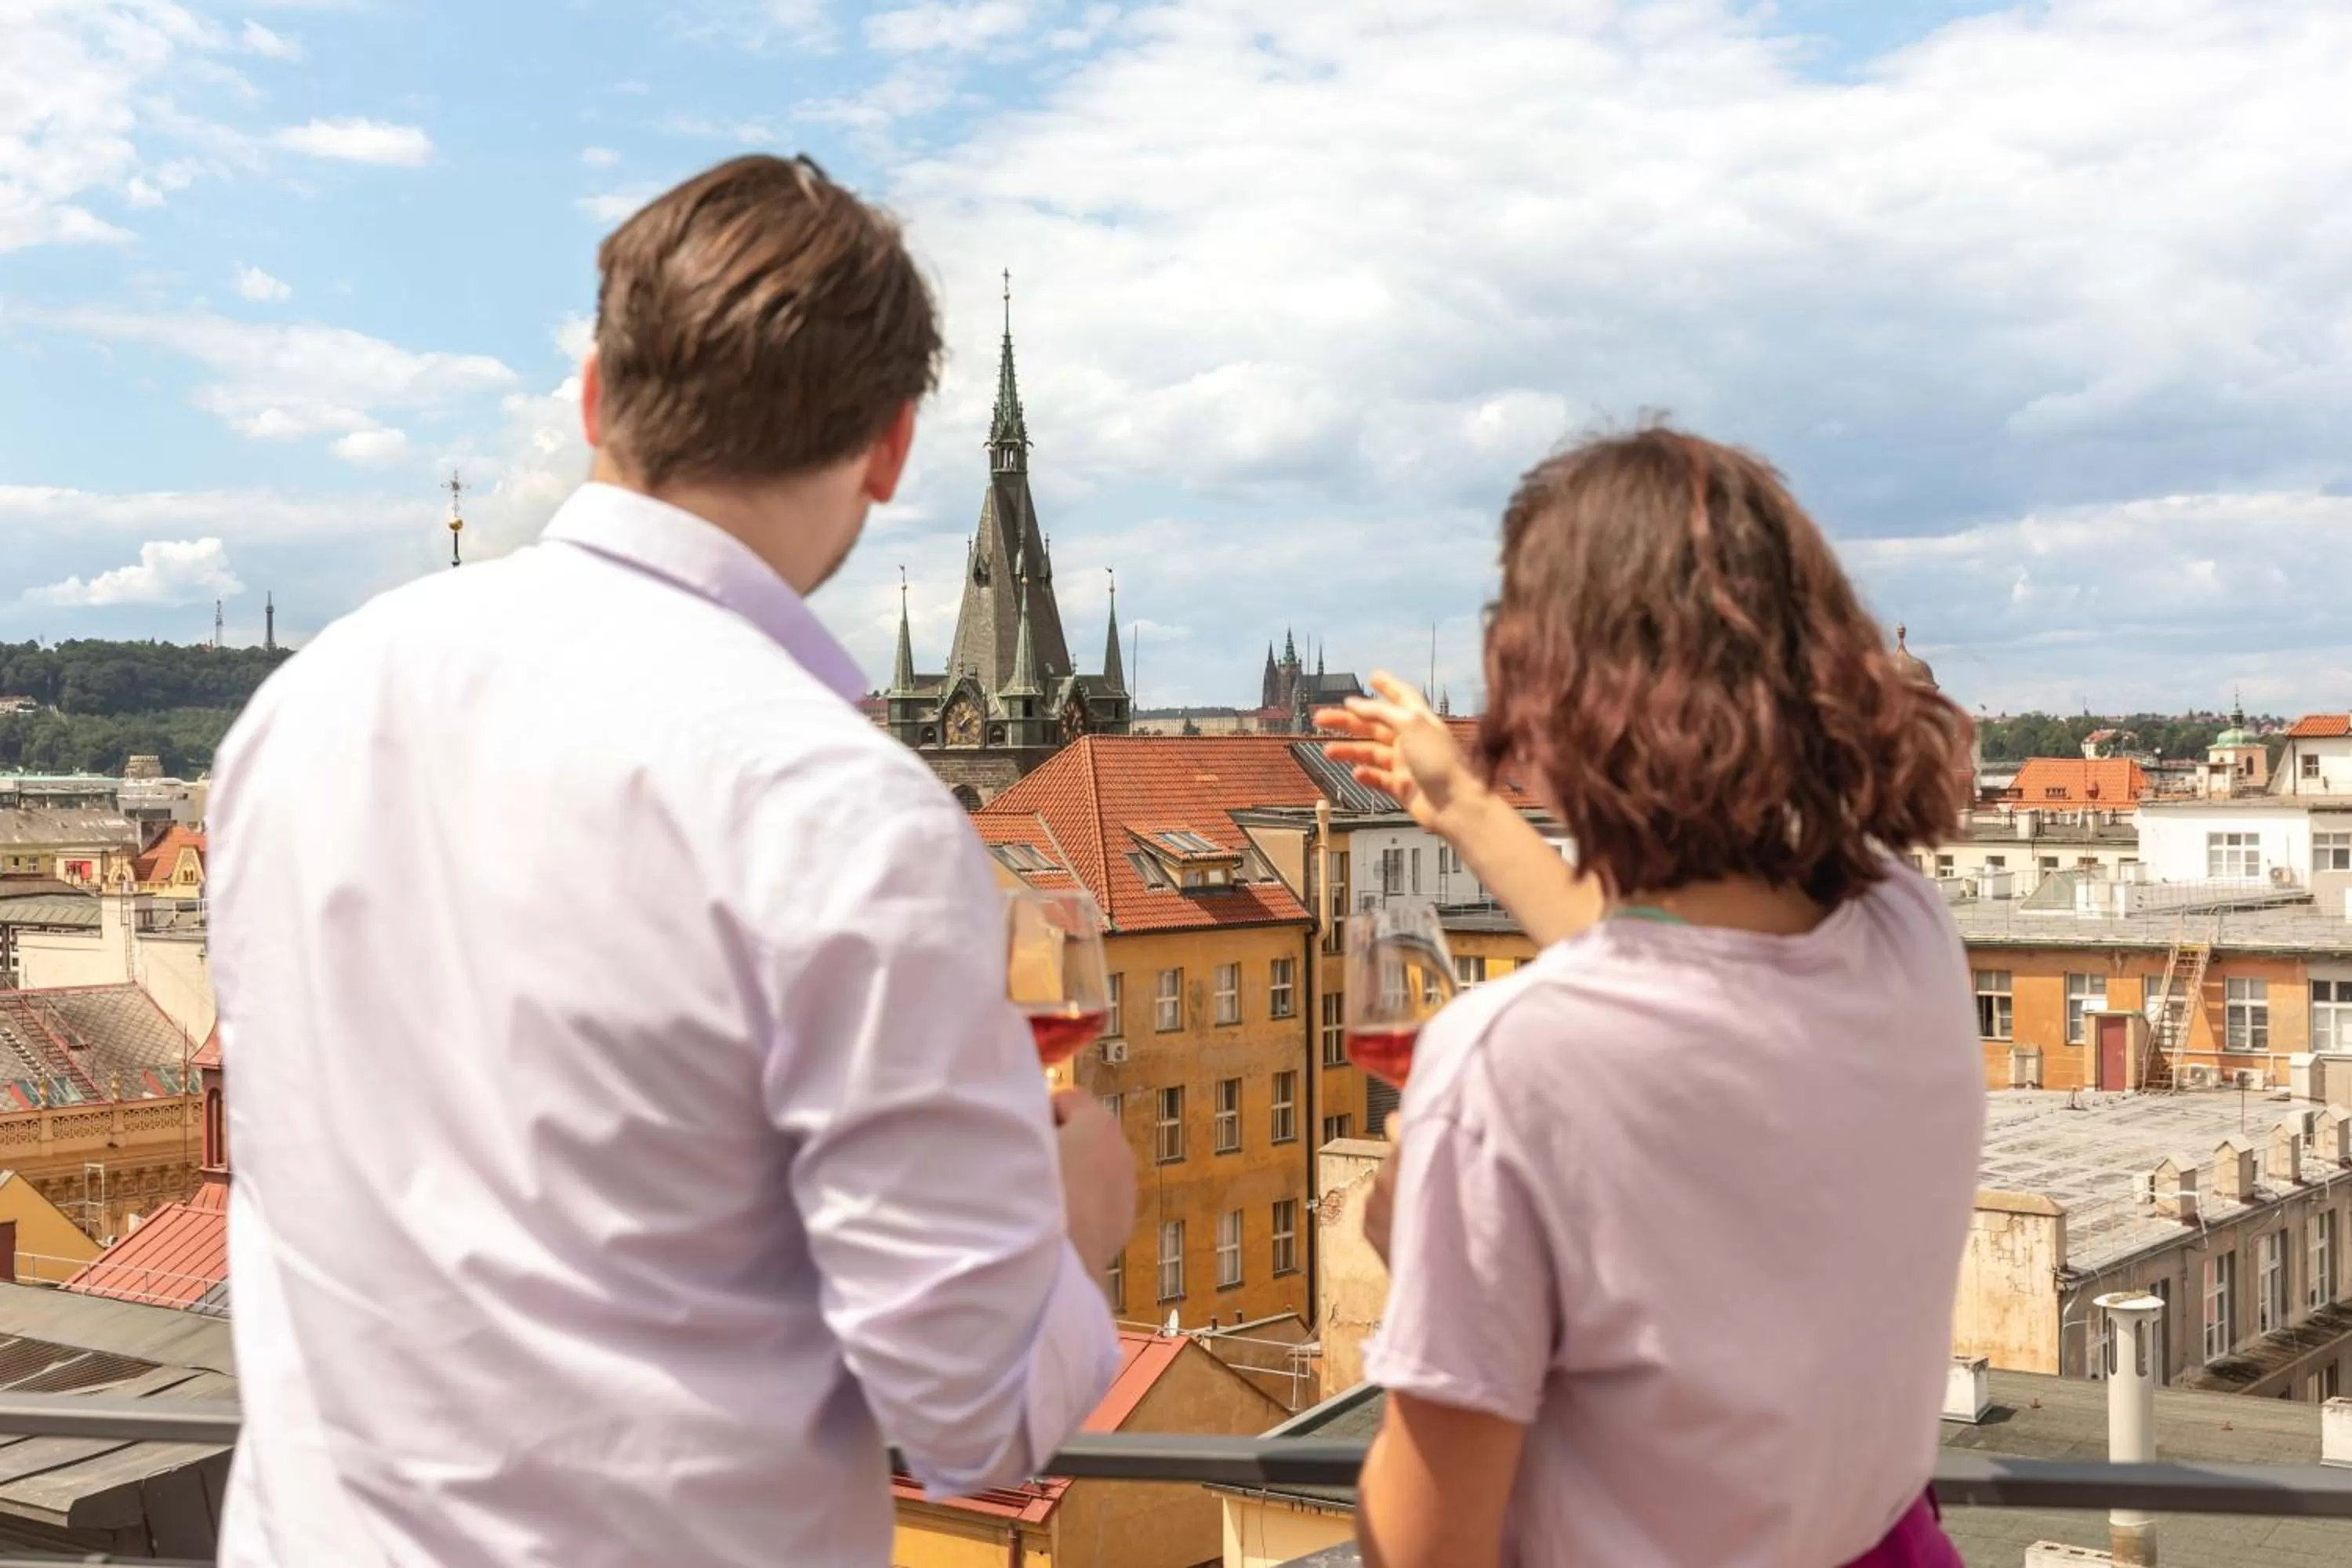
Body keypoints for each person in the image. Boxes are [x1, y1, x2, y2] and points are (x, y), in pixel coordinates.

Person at [206, 155, 1136, 1568]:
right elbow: (970, 1418)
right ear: (889, 450)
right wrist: (1075, 1226)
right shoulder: (843, 811)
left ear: (595, 401)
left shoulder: (301, 711)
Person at [1319, 427, 1984, 1568]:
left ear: (1549, 697)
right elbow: (1680, 980)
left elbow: (1425, 1551)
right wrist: (1469, 812)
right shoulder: (1905, 929)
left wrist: (1423, 1265)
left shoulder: (1506, 1067)